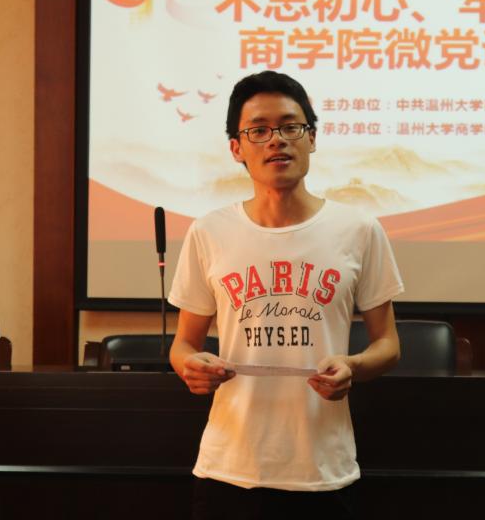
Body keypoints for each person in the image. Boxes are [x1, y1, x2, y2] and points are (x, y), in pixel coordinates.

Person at [168, 70, 404, 519]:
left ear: (311, 138)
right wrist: (189, 367)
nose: (276, 139)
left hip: (323, 470)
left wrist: (353, 366)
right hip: (229, 469)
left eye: (290, 126)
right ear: (236, 148)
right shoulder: (209, 232)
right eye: (258, 130)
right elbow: (183, 344)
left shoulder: (358, 230)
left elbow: (388, 345)